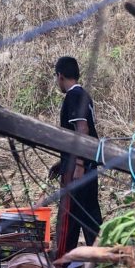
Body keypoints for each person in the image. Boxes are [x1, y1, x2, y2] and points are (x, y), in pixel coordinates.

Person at [52, 56, 102, 256]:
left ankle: (61, 264)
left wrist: (78, 164)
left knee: (68, 217)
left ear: (60, 76)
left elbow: (82, 129)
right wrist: (61, 162)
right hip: (88, 167)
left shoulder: (73, 96)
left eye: (57, 78)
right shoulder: (84, 95)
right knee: (90, 217)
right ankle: (101, 260)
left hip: (78, 169)